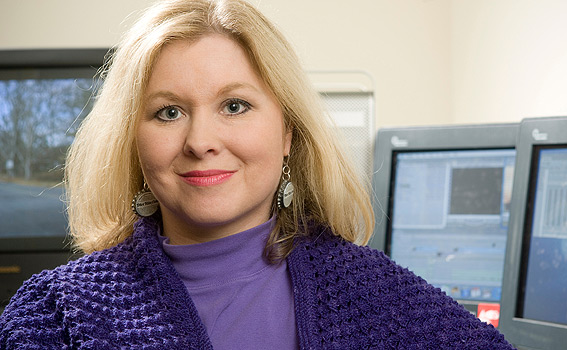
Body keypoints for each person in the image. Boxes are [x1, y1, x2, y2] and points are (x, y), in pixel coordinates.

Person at [0, 0, 515, 348]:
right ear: (131, 143)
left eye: (236, 106)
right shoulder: (56, 316)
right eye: (168, 112)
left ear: (288, 132)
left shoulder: (380, 297)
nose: (201, 140)